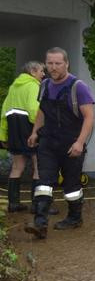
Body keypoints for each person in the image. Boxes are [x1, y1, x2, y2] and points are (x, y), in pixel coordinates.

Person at [24, 48, 95, 239]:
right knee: (43, 181)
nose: (53, 67)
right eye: (50, 63)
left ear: (66, 64)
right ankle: (40, 224)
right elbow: (41, 111)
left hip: (71, 144)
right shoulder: (45, 85)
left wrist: (80, 143)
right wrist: (34, 133)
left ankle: (74, 217)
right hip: (48, 142)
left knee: (71, 186)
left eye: (57, 63)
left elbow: (89, 117)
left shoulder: (78, 87)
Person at [1, 61, 44, 212]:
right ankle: (37, 205)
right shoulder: (33, 86)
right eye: (41, 71)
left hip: (14, 130)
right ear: (32, 71)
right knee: (38, 166)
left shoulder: (13, 87)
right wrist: (39, 129)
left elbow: (4, 112)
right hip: (29, 129)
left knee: (17, 167)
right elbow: (34, 110)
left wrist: (3, 135)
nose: (43, 74)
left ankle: (13, 204)